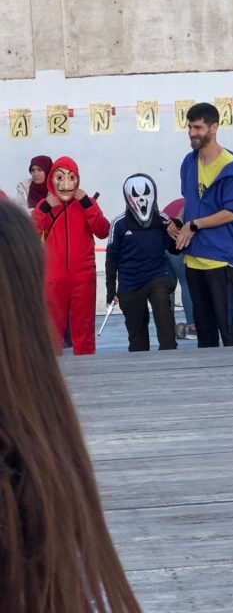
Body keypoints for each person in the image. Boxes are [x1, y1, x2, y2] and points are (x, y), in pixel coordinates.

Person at [0, 202, 142, 613]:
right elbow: (35, 225)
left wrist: (82, 202)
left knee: (82, 334)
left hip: (79, 276)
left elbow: (100, 227)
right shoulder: (44, 449)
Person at [168, 102, 233, 348]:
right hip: (194, 260)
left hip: (221, 260)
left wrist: (194, 225)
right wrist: (179, 220)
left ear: (214, 128)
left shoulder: (230, 165)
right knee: (204, 335)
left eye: (198, 127)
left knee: (231, 331)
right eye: (190, 127)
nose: (192, 133)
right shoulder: (189, 162)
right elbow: (192, 201)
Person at [32, 156, 110, 356]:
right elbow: (30, 232)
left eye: (71, 177)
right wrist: (45, 208)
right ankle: (52, 368)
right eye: (60, 177)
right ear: (52, 179)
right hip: (53, 276)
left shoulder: (87, 203)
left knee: (84, 326)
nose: (65, 183)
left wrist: (87, 204)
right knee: (52, 327)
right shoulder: (45, 205)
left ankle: (86, 367)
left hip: (83, 276)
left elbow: (103, 230)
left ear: (77, 180)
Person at [105, 174, 178, 352]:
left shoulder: (162, 219)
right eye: (136, 195)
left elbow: (175, 249)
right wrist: (111, 291)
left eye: (146, 194)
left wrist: (176, 228)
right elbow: (111, 259)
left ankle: (169, 351)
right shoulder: (119, 224)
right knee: (137, 335)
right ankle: (140, 360)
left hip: (158, 275)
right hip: (130, 281)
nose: (142, 200)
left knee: (161, 303)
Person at [164, 195, 196, 339]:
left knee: (167, 285)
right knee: (186, 282)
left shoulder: (179, 203)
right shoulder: (194, 205)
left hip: (164, 239)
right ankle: (192, 327)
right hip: (177, 238)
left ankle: (168, 329)